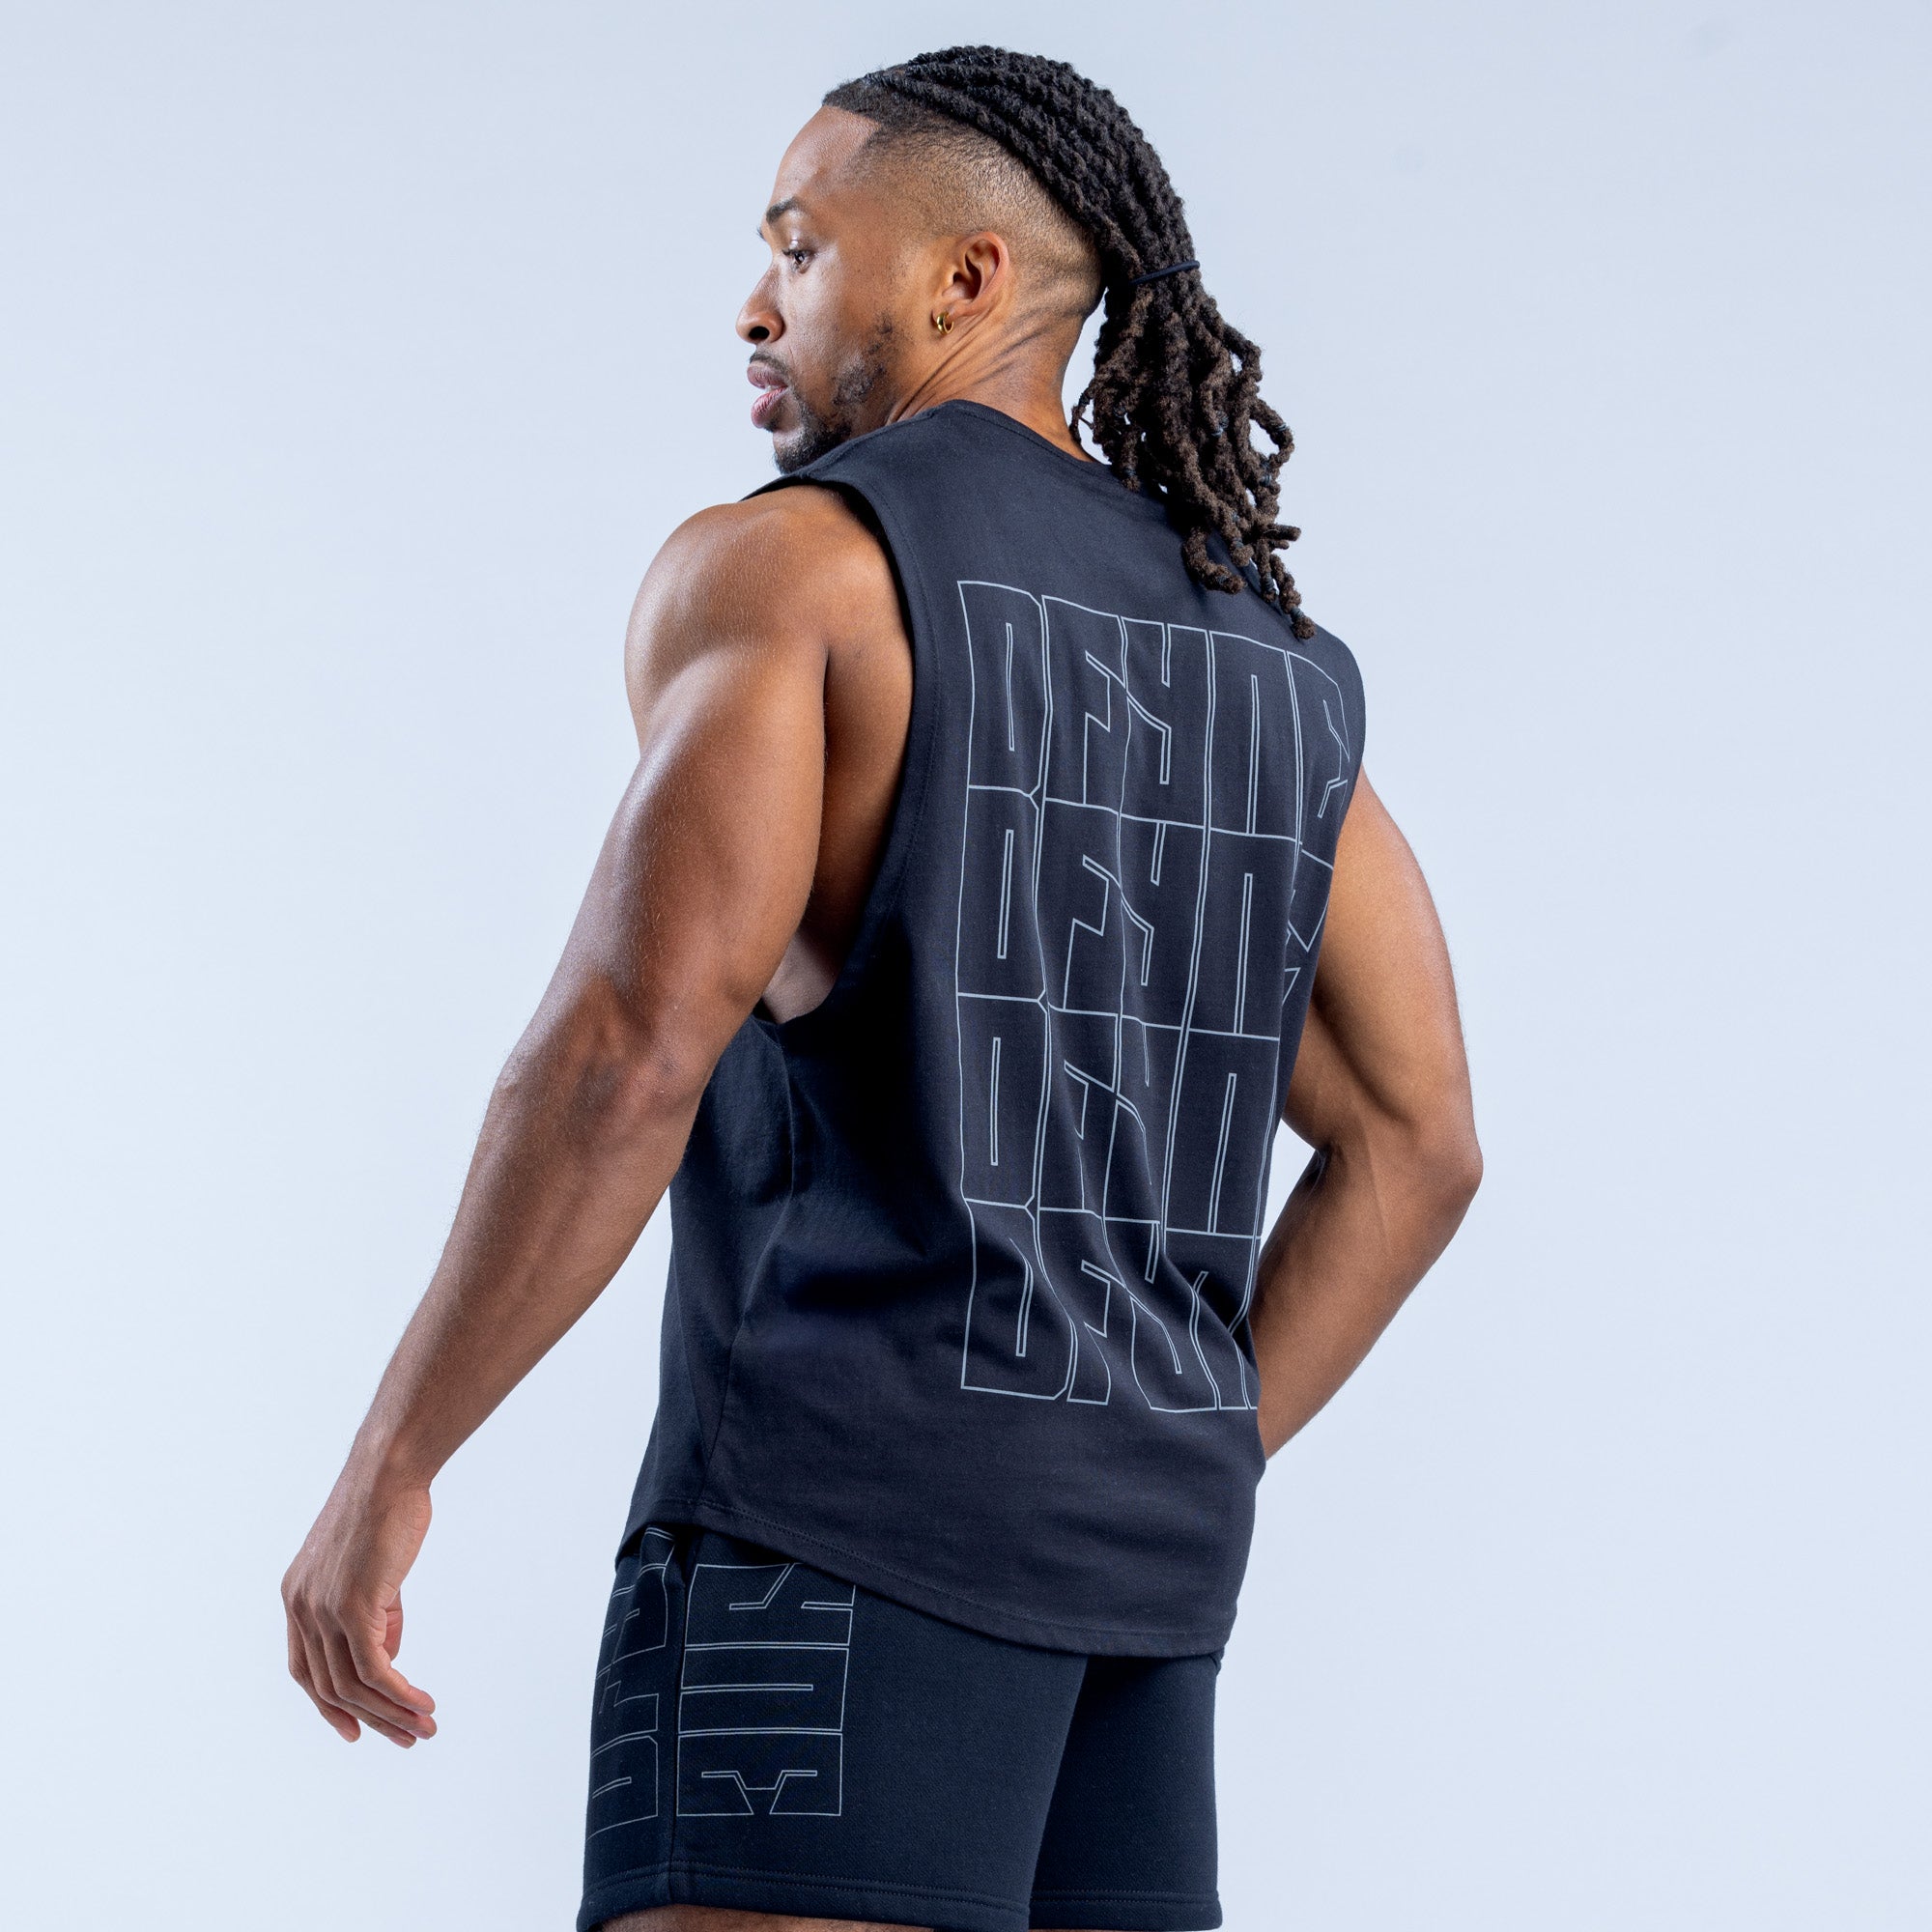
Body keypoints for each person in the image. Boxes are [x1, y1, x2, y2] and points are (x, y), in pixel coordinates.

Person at [282, 45, 1481, 1932]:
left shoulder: (798, 580)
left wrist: (393, 1460)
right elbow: (1420, 1140)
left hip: (818, 1552)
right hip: (1138, 1615)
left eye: (798, 246)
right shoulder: (1273, 663)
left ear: (962, 279)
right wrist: (1154, 1446)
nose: (754, 305)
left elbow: (624, 1049)